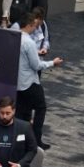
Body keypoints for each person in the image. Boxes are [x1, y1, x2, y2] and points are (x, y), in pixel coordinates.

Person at [15, 13, 62, 146]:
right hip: (29, 82)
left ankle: (21, 140)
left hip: (17, 82)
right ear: (29, 25)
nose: (35, 29)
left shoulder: (14, 37)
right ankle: (36, 139)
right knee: (40, 108)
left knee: (22, 113)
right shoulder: (29, 42)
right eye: (34, 26)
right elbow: (36, 65)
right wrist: (52, 62)